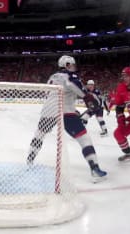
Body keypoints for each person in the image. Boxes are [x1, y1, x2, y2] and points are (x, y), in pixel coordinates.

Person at [27, 55, 107, 183]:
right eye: (72, 65)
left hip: (48, 110)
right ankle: (94, 168)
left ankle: (29, 160)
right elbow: (80, 91)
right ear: (67, 65)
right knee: (84, 139)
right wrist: (89, 99)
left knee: (39, 134)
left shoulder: (52, 77)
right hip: (65, 112)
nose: (74, 67)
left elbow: (51, 93)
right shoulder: (71, 76)